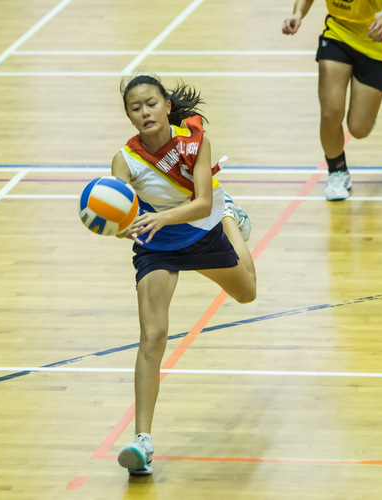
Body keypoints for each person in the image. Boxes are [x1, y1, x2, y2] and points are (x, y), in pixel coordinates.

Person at [111, 74, 257, 475]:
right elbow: (119, 209)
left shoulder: (195, 141)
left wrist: (167, 217)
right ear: (129, 115)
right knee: (153, 336)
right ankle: (142, 442)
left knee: (248, 293)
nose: (145, 112)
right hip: (157, 247)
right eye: (136, 108)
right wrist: (119, 223)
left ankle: (232, 217)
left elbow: (200, 201)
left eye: (151, 103)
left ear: (167, 106)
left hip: (203, 228)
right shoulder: (125, 159)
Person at [282, 0, 382, 201]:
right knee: (331, 112)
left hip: (376, 43)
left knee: (358, 128)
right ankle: (337, 171)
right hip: (337, 33)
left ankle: (367, 113)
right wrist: (297, 14)